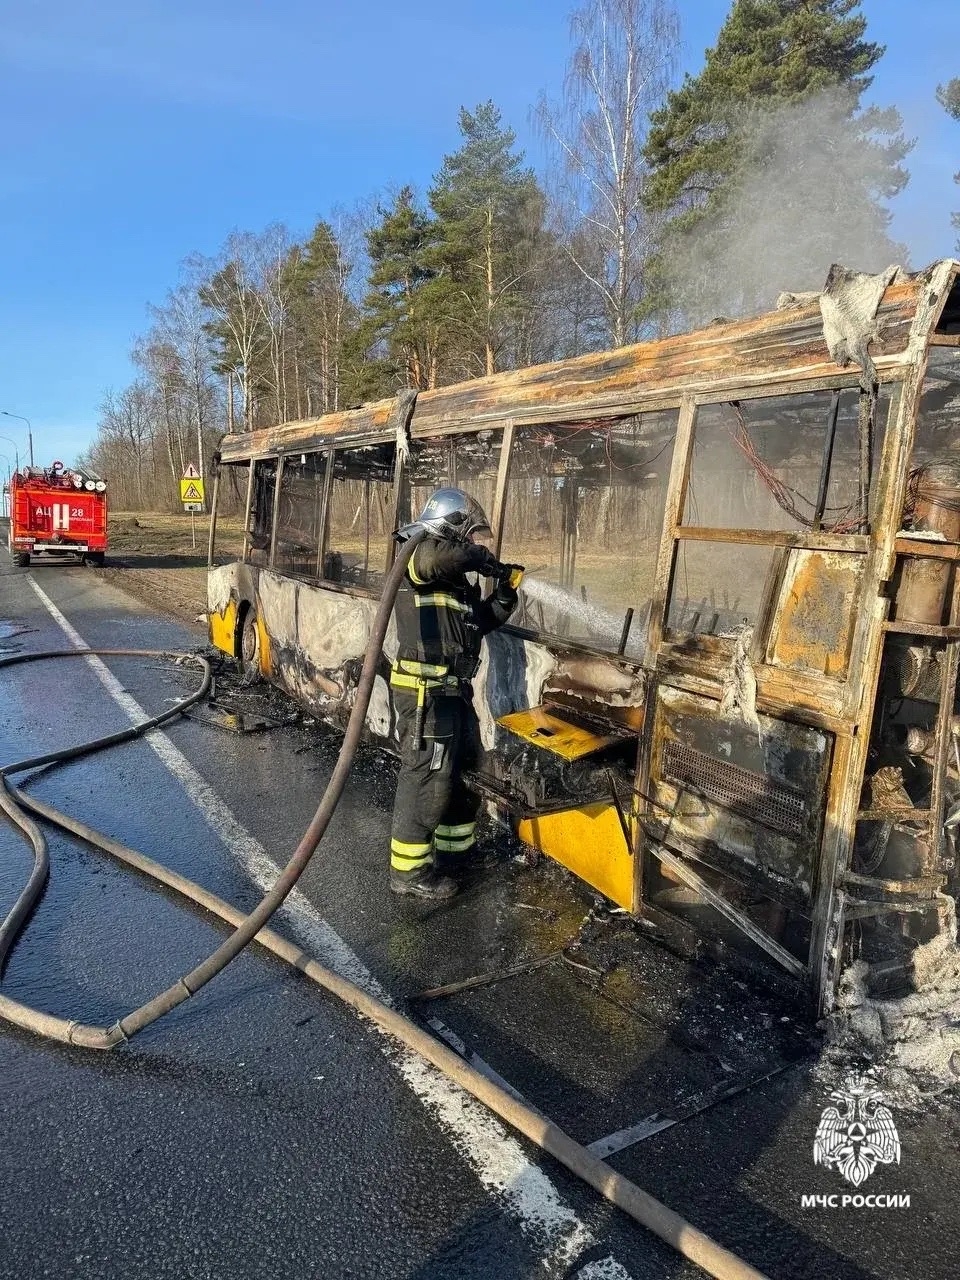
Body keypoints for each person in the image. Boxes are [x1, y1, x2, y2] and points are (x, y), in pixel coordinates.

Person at [389, 487, 522, 899]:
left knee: (464, 772)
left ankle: (455, 853)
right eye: (470, 535)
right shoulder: (417, 557)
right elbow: (443, 557)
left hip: (454, 693)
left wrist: (504, 590)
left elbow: (482, 621)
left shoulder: (457, 585)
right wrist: (482, 559)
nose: (475, 543)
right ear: (452, 527)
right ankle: (409, 873)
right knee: (429, 776)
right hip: (425, 694)